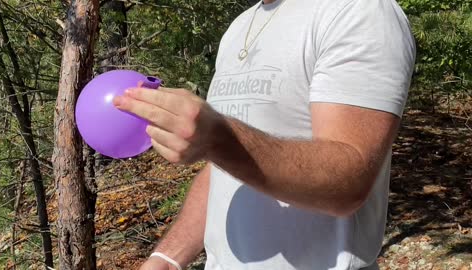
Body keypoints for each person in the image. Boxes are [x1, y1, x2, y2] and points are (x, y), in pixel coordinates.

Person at [113, 0, 416, 269]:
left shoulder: (358, 11)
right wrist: (168, 257)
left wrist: (220, 139)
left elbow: (351, 179)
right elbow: (224, 168)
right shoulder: (241, 26)